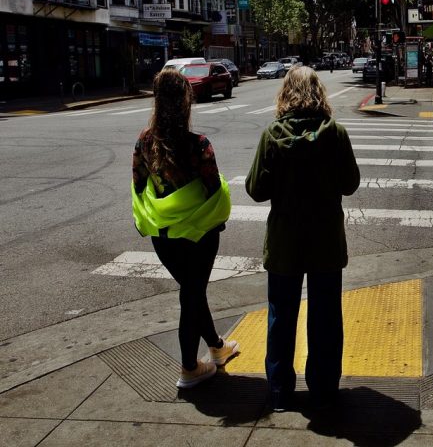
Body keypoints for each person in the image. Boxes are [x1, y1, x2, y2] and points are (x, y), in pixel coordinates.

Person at [246, 66, 360, 411]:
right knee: (325, 317)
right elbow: (350, 184)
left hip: (284, 241)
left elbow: (255, 189)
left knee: (281, 316)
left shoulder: (272, 135)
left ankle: (280, 391)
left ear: (286, 94)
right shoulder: (335, 134)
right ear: (318, 93)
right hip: (325, 240)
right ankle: (324, 389)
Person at [131, 68, 239, 389]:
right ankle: (189, 368)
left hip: (164, 238)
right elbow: (212, 189)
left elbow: (139, 186)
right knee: (192, 294)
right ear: (186, 101)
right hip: (200, 236)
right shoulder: (199, 145)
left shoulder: (143, 143)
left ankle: (217, 348)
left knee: (194, 291)